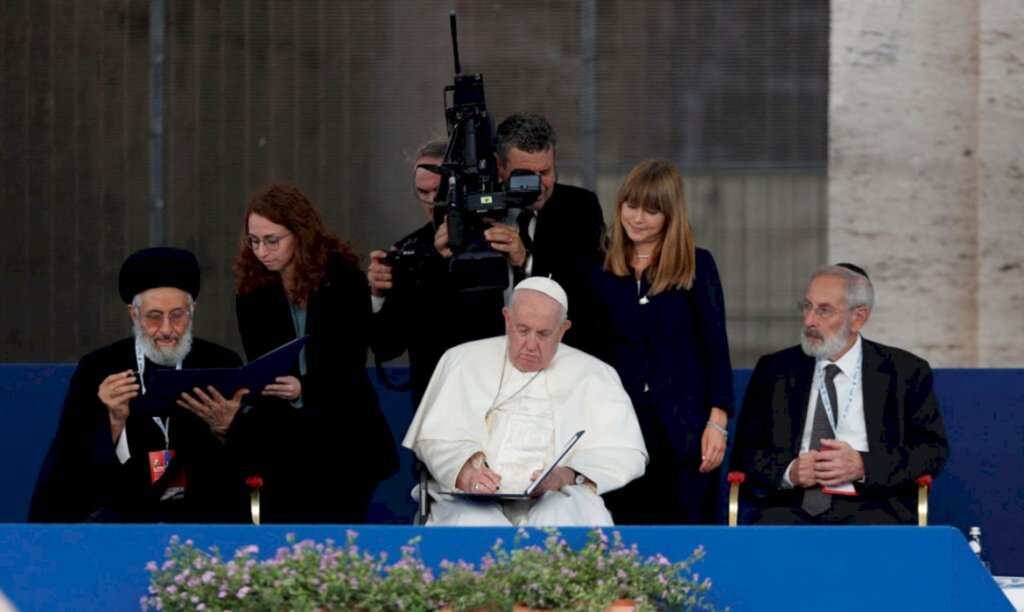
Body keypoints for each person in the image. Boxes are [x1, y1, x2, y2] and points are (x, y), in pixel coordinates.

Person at [369, 114, 606, 403]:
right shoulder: (420, 246)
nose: (538, 184)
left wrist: (527, 260)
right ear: (499, 166)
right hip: (470, 402)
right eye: (525, 175)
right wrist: (379, 294)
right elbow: (387, 345)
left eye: (546, 171)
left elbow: (592, 303)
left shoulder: (579, 209)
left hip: (557, 392)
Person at [30, 247, 252, 522]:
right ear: (134, 314)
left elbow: (245, 460)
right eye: (154, 316)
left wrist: (228, 427)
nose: (168, 329)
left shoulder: (221, 361)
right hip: (127, 515)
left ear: (192, 310)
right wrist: (113, 421)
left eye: (178, 314)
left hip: (204, 514)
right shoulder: (98, 368)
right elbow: (68, 465)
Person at [403, 277, 648, 526]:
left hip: (558, 496)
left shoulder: (595, 374)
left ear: (563, 330)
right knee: (474, 523)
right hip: (471, 499)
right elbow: (435, 438)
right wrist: (466, 473)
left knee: (561, 518)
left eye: (543, 334)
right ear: (507, 319)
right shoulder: (462, 360)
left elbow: (623, 452)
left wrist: (566, 476)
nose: (531, 344)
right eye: (522, 330)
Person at [730, 264, 950, 524]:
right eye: (807, 306)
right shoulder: (775, 369)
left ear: (858, 318)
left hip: (873, 504)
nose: (809, 320)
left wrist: (863, 466)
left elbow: (931, 452)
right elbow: (745, 452)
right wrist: (791, 471)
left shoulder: (904, 372)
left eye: (824, 310)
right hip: (791, 504)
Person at [234, 184, 398, 523]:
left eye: (271, 240)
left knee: (336, 542)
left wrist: (304, 388)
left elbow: (350, 365)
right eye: (254, 240)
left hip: (345, 440)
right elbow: (263, 361)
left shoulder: (343, 279)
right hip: (284, 444)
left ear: (299, 234)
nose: (261, 250)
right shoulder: (252, 291)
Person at [589, 158, 734, 525]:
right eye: (631, 205)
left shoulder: (698, 266)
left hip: (686, 436)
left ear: (670, 215)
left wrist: (716, 424)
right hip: (622, 433)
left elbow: (716, 350)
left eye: (651, 210)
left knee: (688, 540)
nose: (637, 218)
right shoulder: (601, 272)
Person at [367, 138, 504, 406]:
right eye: (423, 192)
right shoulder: (411, 249)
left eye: (438, 191)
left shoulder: (498, 240)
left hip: (493, 396)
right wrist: (377, 294)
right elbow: (386, 346)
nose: (431, 202)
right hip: (435, 406)